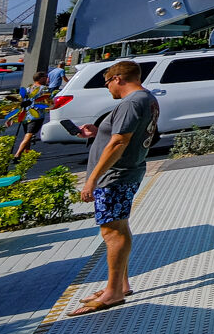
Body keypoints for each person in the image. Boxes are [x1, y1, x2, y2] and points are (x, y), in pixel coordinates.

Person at [69, 60, 159, 316]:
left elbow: (119, 142)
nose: (107, 88)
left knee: (112, 232)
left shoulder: (131, 102)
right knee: (119, 226)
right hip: (127, 172)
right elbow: (125, 133)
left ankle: (114, 292)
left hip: (116, 176)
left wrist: (92, 180)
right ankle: (120, 283)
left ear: (118, 78)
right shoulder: (147, 98)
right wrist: (99, 132)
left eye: (107, 82)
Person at [11, 73, 50, 156]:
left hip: (25, 114)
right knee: (29, 134)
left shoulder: (28, 88)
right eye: (45, 78)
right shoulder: (44, 89)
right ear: (41, 79)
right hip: (36, 115)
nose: (47, 80)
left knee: (27, 134)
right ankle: (18, 153)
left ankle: (27, 151)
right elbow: (48, 100)